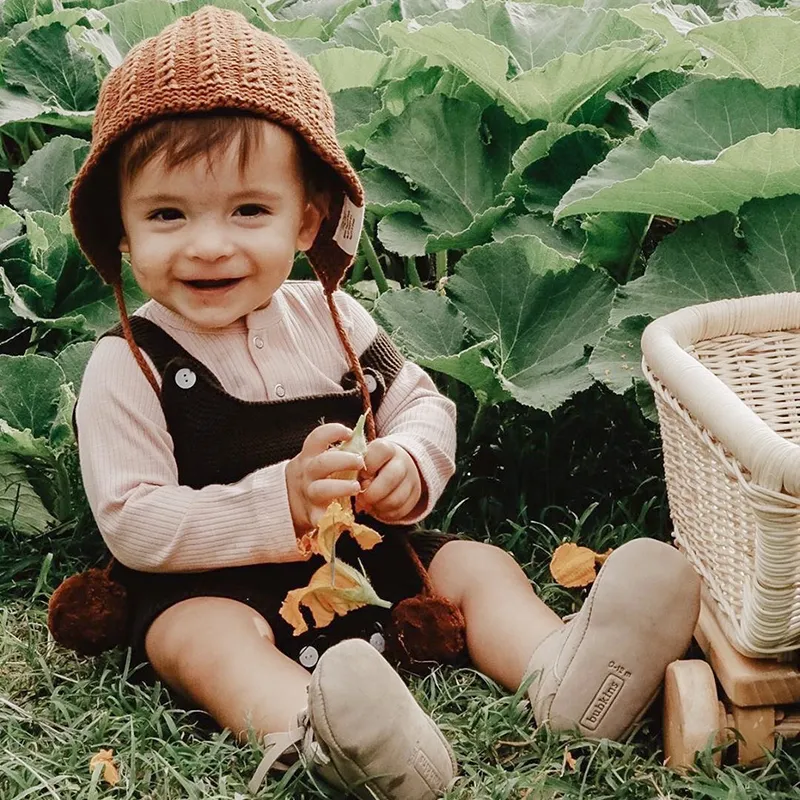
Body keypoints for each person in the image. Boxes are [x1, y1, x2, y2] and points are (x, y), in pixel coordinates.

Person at [65, 6, 701, 799]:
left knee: (477, 565)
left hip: (368, 566)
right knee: (199, 640)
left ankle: (562, 672)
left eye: (248, 211)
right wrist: (279, 505)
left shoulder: (336, 321)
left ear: (307, 219)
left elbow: (421, 403)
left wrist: (407, 459)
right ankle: (322, 729)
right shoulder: (130, 364)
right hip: (216, 586)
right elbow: (134, 521)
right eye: (167, 214)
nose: (207, 243)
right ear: (119, 230)